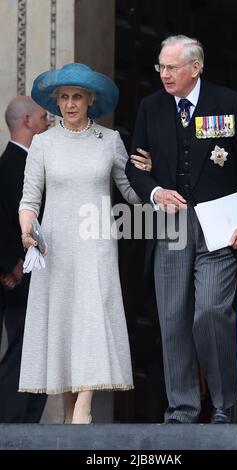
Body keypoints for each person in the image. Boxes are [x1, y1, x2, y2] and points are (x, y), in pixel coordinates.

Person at [126, 34, 237, 424]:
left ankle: (223, 404)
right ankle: (182, 409)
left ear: (195, 67)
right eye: (161, 67)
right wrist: (154, 190)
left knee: (210, 312)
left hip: (220, 226)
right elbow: (134, 168)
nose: (164, 74)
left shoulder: (229, 103)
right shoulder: (151, 107)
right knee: (172, 317)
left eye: (172, 67)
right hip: (171, 224)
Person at [18, 63, 150, 424]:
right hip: (55, 246)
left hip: (96, 243)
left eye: (77, 96)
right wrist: (26, 230)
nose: (70, 103)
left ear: (91, 100)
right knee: (65, 323)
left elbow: (132, 194)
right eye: (64, 97)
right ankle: (68, 411)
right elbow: (30, 199)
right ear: (55, 101)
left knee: (92, 319)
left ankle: (83, 406)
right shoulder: (43, 143)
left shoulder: (109, 141)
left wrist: (152, 174)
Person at [0, 96, 48, 422]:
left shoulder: (28, 163)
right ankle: (12, 423)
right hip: (21, 277)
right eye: (44, 118)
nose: (48, 124)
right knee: (22, 350)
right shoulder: (12, 166)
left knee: (35, 350)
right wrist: (10, 264)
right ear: (28, 121)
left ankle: (27, 422)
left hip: (30, 274)